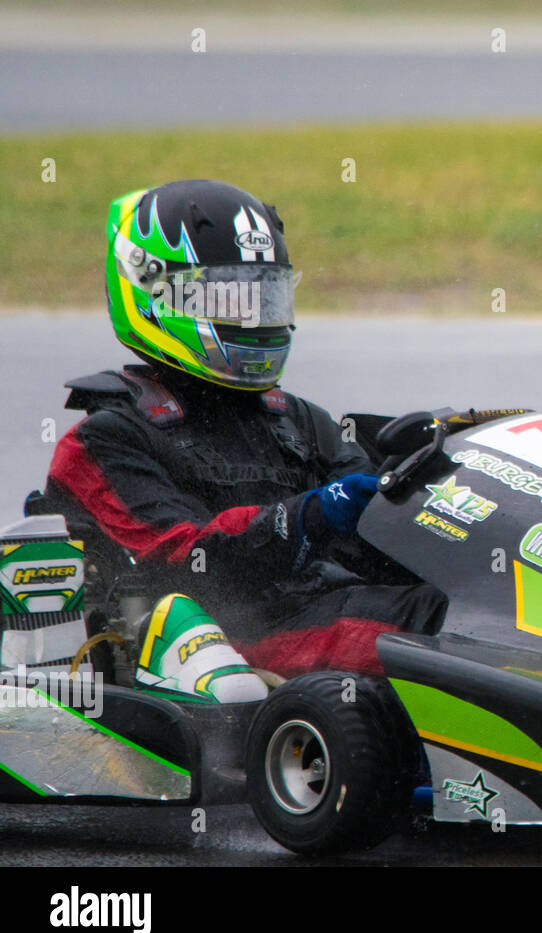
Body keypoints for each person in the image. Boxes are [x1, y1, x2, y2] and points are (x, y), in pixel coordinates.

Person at [41, 180, 446, 699]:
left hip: (326, 607)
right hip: (226, 640)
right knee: (441, 621)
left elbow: (376, 518)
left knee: (475, 596)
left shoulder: (294, 419)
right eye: (228, 298)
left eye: (263, 296)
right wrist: (307, 517)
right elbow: (189, 565)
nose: (249, 317)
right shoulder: (107, 441)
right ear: (151, 290)